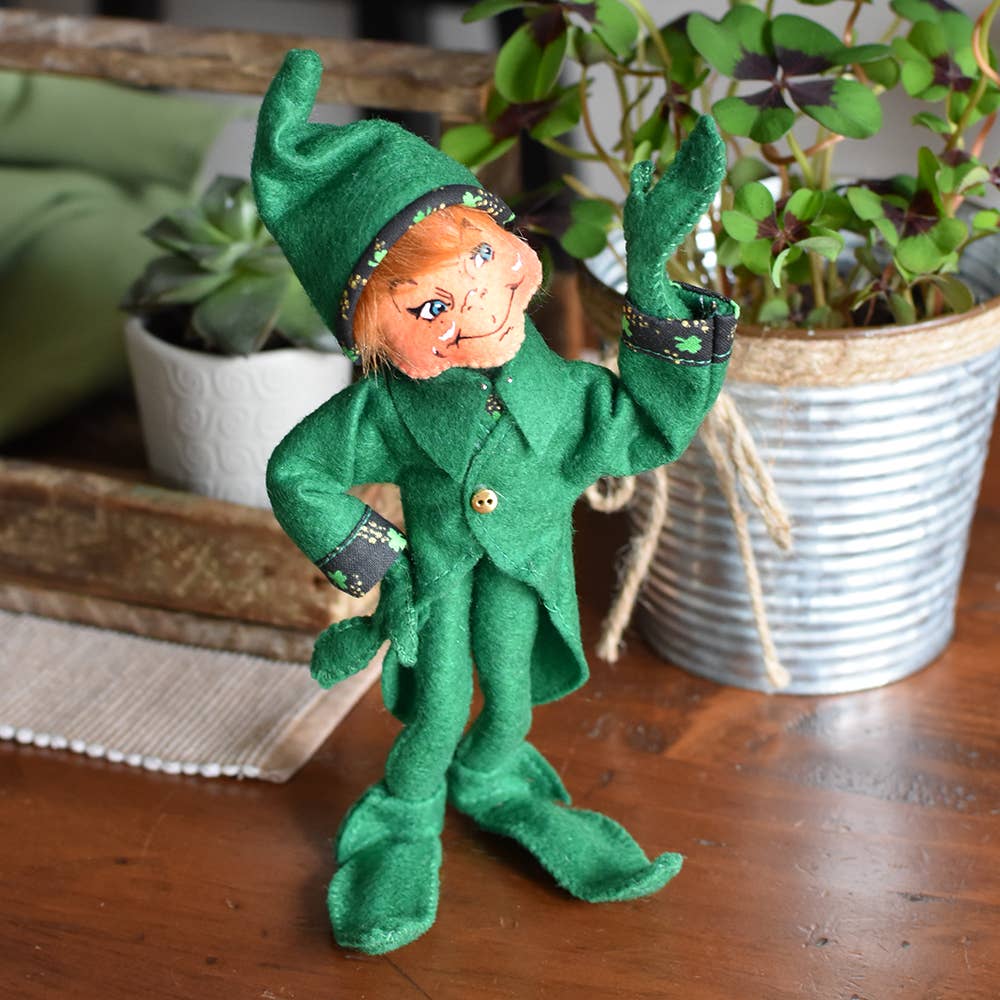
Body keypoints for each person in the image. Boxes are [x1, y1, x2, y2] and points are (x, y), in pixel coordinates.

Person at [253, 49, 737, 955]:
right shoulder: (386, 411)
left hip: (527, 576)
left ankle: (498, 776)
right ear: (368, 340)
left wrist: (652, 274)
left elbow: (648, 424)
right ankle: (406, 812)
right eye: (426, 308)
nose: (478, 303)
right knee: (437, 709)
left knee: (510, 699)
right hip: (436, 581)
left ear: (509, 234)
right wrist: (382, 558)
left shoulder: (565, 395)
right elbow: (298, 473)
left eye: (483, 253)